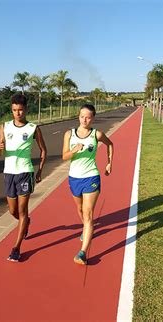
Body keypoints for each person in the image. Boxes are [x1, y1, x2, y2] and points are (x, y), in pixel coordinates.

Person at [62, 104, 113, 265]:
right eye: (82, 116)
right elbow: (64, 156)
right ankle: (86, 229)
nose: (85, 119)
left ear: (93, 118)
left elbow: (110, 144)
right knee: (80, 209)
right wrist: (75, 150)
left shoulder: (96, 134)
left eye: (88, 117)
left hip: (91, 177)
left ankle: (82, 253)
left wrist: (109, 163)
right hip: (74, 178)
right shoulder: (69, 134)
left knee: (88, 213)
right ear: (78, 116)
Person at [0, 93, 47, 262]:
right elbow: (0, 151)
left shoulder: (33, 128)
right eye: (14, 110)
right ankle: (25, 222)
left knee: (22, 210)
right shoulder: (4, 127)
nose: (17, 113)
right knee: (12, 211)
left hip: (25, 172)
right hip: (9, 173)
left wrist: (39, 171)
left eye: (20, 110)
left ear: (26, 109)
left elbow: (43, 150)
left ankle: (16, 247)